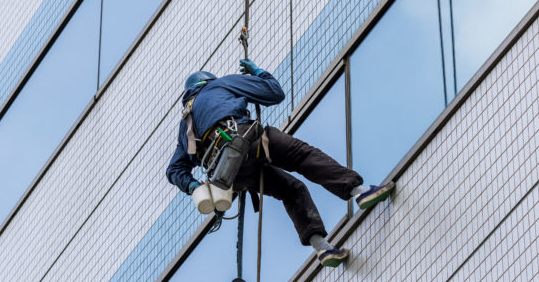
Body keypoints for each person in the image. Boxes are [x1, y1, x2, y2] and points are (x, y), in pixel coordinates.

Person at [165, 58, 394, 267]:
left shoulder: (185, 124)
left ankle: (323, 248)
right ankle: (359, 190)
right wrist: (259, 73)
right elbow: (274, 93)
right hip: (245, 139)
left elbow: (174, 169)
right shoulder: (219, 86)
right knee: (304, 157)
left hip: (231, 173)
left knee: (291, 190)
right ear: (208, 81)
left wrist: (193, 186)